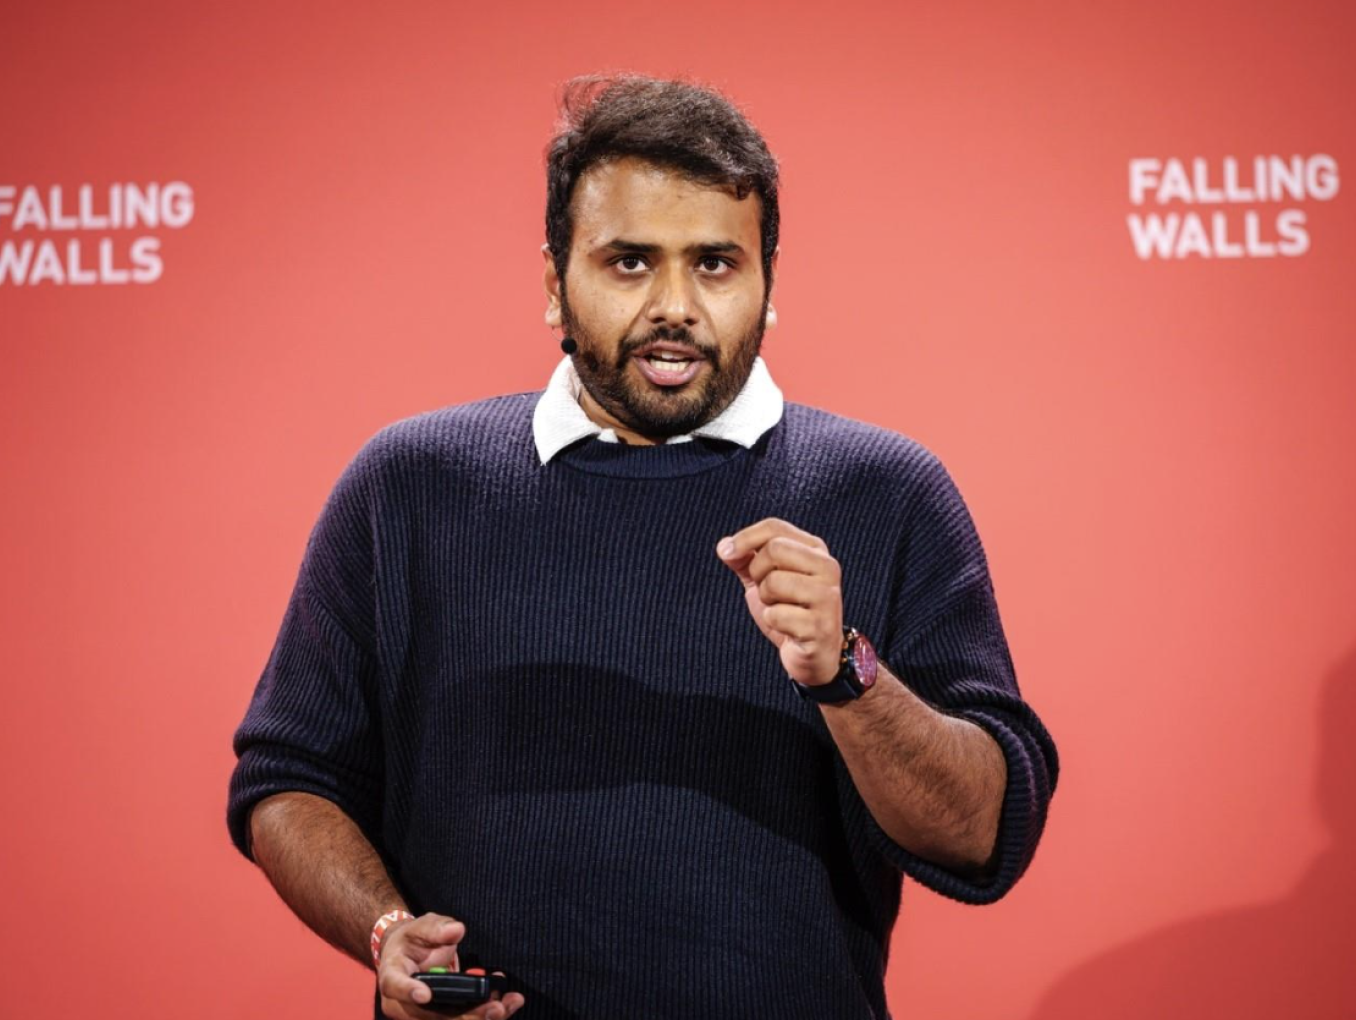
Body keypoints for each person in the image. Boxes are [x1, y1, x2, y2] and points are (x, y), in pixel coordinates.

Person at [227, 73, 1058, 1020]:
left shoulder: (887, 492)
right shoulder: (410, 486)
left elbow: (985, 834)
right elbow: (288, 782)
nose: (675, 304)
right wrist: (386, 934)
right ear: (554, 282)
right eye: (629, 263)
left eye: (714, 264)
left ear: (768, 284)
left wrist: (846, 672)